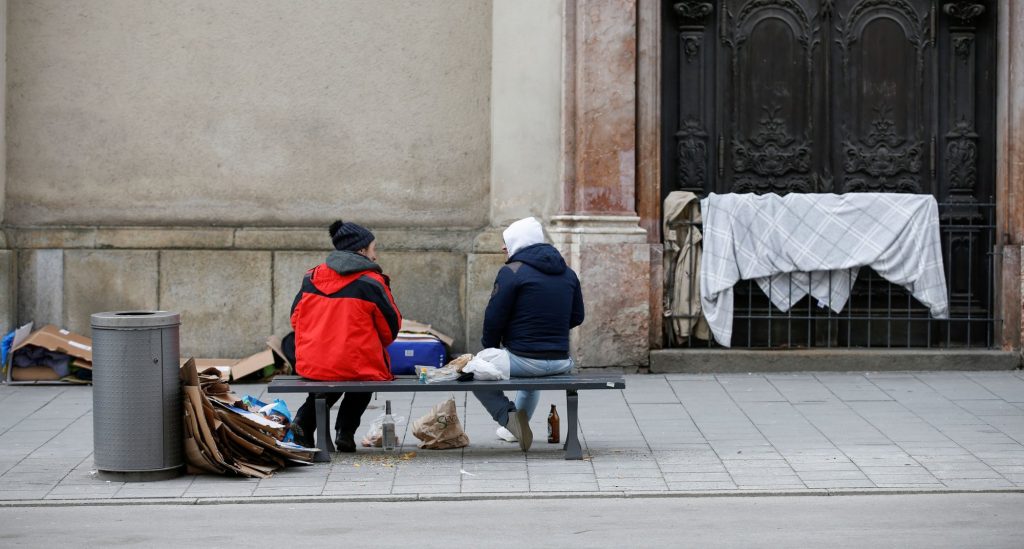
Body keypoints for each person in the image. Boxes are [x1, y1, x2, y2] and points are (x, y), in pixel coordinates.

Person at [287, 219, 402, 452]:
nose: (375, 256)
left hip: (313, 362)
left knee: (328, 377)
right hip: (355, 363)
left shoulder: (311, 278)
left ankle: (303, 423)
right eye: (373, 249)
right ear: (361, 250)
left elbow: (295, 319)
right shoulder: (371, 283)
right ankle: (345, 431)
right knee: (361, 378)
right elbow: (390, 328)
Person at [472, 217, 585, 451]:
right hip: (561, 361)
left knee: (473, 371)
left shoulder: (512, 271)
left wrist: (490, 350)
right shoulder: (569, 274)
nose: (503, 247)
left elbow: (494, 318)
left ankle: (509, 419)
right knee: (530, 382)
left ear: (519, 242)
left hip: (523, 359)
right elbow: (577, 317)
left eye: (507, 241)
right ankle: (514, 430)